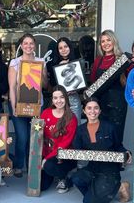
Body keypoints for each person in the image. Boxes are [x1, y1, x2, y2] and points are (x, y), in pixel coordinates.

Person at [71, 97, 132, 203]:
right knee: (77, 178)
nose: (92, 111)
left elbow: (118, 146)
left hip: (109, 170)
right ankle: (99, 191)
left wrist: (127, 153)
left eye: (96, 108)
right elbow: (77, 149)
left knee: (88, 202)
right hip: (93, 168)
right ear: (84, 111)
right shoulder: (80, 130)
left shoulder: (109, 127)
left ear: (100, 111)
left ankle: (121, 186)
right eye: (89, 108)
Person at [8, 33, 48, 177]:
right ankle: (18, 165)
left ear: (34, 45)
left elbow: (45, 85)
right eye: (25, 43)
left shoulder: (40, 61)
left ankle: (32, 166)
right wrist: (14, 107)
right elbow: (12, 87)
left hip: (37, 105)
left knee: (35, 137)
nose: (28, 46)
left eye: (31, 43)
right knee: (23, 137)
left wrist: (42, 71)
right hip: (19, 104)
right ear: (21, 45)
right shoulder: (15, 63)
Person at [89, 30, 134, 144]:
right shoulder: (97, 61)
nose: (105, 43)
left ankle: (117, 162)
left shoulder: (123, 59)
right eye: (102, 41)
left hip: (118, 104)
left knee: (116, 135)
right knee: (102, 136)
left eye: (108, 40)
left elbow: (133, 79)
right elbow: (93, 82)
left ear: (114, 41)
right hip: (101, 105)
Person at [40, 86, 78, 193]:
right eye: (55, 98)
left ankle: (65, 177)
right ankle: (54, 173)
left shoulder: (71, 118)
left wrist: (46, 159)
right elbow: (39, 136)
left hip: (63, 156)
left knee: (48, 166)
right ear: (52, 100)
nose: (59, 101)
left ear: (66, 98)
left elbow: (65, 143)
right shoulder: (46, 113)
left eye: (61, 97)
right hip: (47, 153)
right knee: (41, 186)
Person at [46, 37, 83, 119]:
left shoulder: (78, 62)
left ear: (70, 47)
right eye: (60, 48)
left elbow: (81, 84)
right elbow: (52, 84)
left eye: (65, 47)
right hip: (59, 101)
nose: (63, 50)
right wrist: (60, 67)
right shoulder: (53, 64)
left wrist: (76, 88)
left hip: (73, 100)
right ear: (57, 50)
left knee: (75, 127)